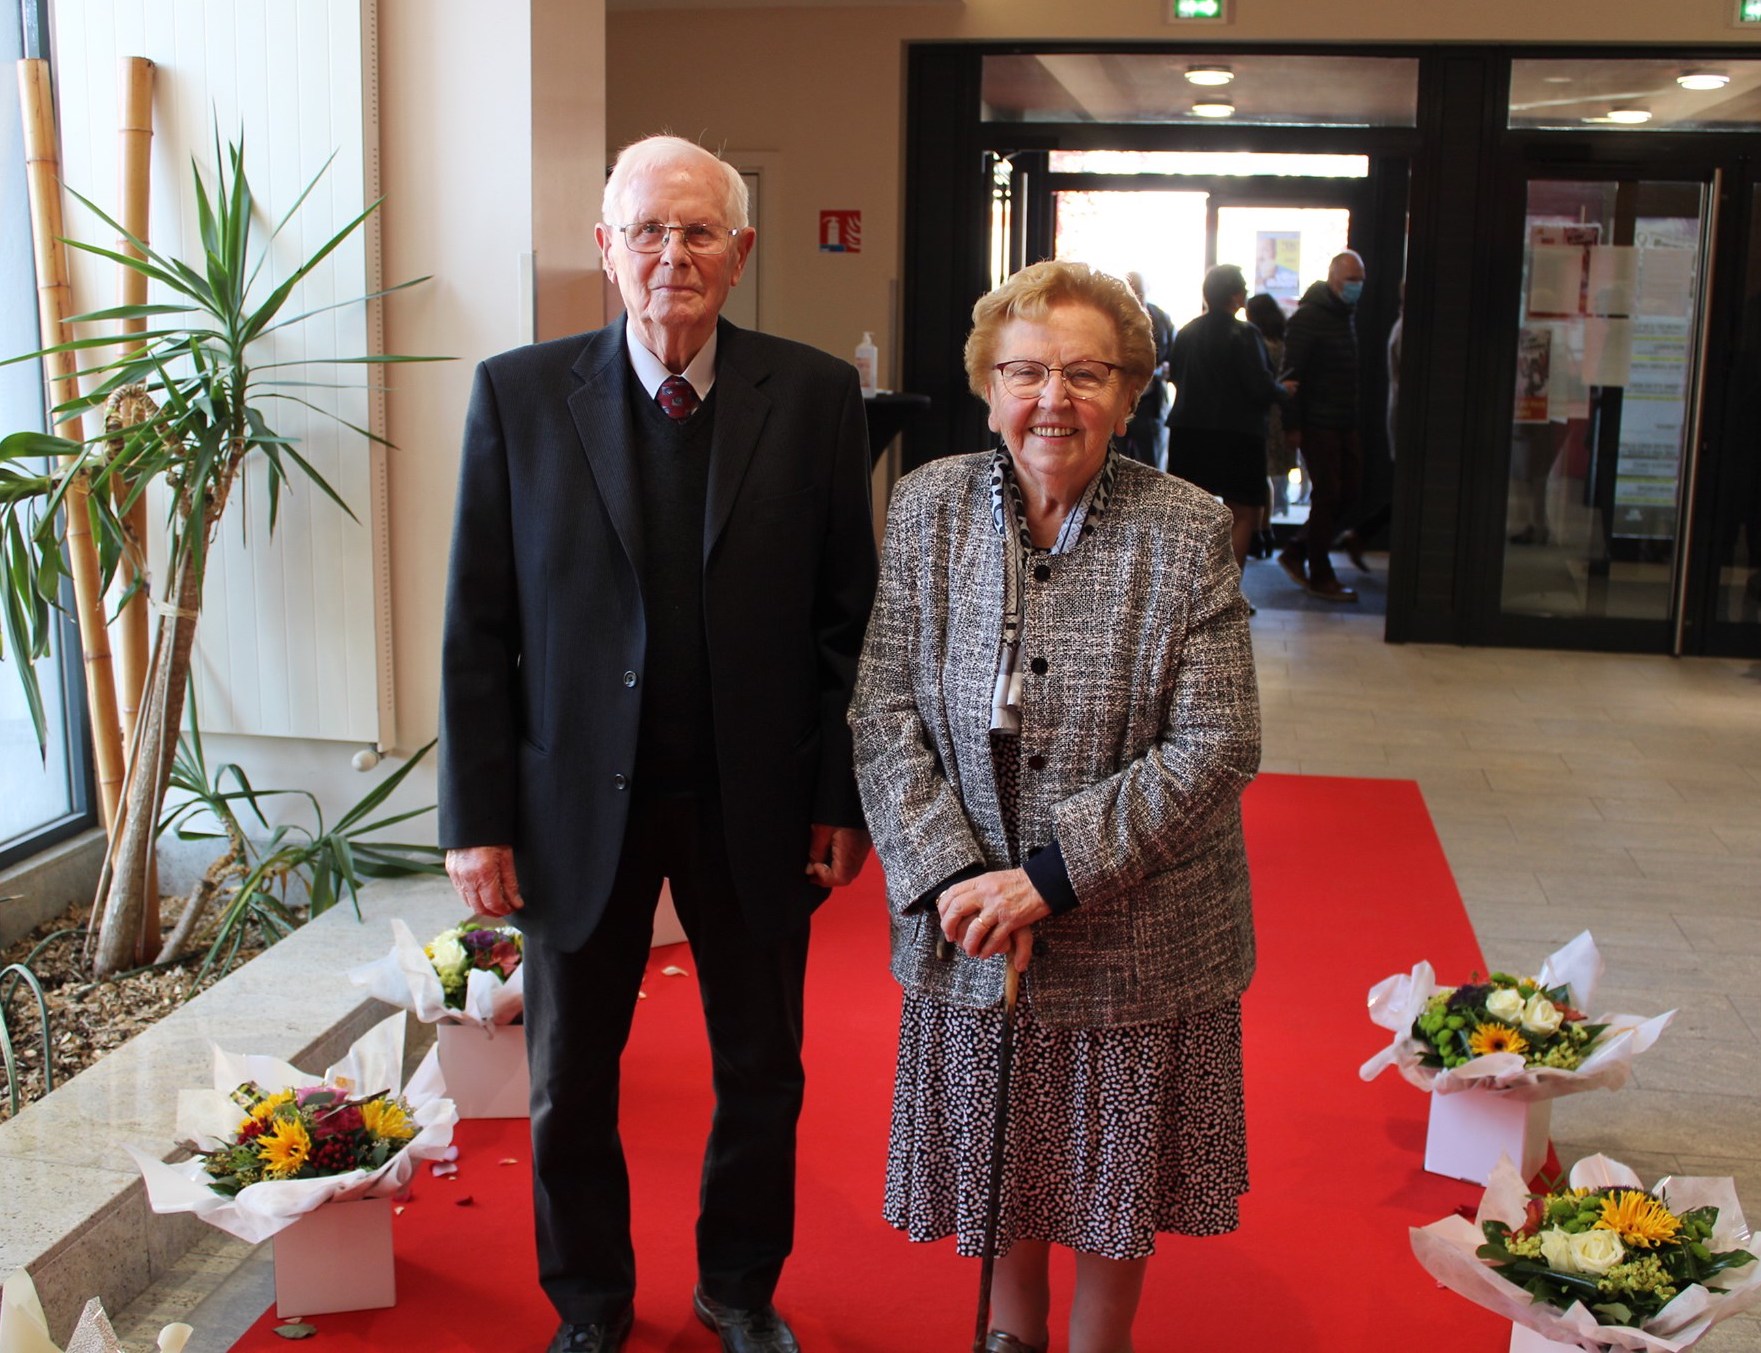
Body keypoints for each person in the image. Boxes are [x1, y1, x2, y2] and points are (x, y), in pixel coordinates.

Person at [438, 134, 878, 1353]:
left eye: (696, 233)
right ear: (604, 250)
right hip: (575, 803)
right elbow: (477, 627)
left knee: (761, 1073)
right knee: (570, 1076)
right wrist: (473, 820)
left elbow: (853, 622)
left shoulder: (816, 398)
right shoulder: (519, 398)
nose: (670, 256)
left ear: (740, 255)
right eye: (647, 231)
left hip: (755, 801)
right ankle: (587, 1305)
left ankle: (738, 1289)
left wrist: (840, 798)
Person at [850, 260, 1260, 1353]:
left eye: (1089, 373)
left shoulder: (1185, 529)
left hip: (1138, 924)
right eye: (1026, 371)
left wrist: (1049, 878)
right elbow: (883, 703)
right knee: (1003, 1139)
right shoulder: (931, 504)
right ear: (988, 387)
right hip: (968, 914)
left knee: (1114, 1158)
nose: (1054, 399)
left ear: (1134, 396)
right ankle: (1012, 1334)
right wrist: (954, 877)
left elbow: (1220, 742)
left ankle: (1099, 1342)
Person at [1165, 264, 1292, 575]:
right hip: (1239, 434)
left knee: (1190, 514)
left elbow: (1177, 375)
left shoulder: (1187, 331)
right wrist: (1282, 390)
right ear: (1236, 295)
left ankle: (1188, 591)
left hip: (1189, 431)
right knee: (1245, 512)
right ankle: (1226, 596)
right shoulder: (1246, 333)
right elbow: (1258, 387)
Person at [1278, 250, 1367, 602]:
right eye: (1351, 281)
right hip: (1318, 423)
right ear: (1333, 279)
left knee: (1349, 492)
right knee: (1328, 495)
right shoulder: (1309, 318)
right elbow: (1290, 376)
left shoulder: (1345, 315)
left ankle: (1298, 549)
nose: (1356, 288)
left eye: (1360, 281)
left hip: (1345, 422)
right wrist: (1292, 424)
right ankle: (1320, 573)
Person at [1245, 292, 1297, 554]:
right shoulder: (1283, 342)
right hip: (1281, 414)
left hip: (1265, 415)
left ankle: (1259, 531)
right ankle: (1266, 529)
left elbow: (1259, 384)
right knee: (1266, 475)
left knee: (1258, 476)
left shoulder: (1259, 343)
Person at [1121, 271, 1173, 470]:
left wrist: (1165, 368)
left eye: (1140, 292)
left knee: (1153, 462)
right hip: (1121, 401)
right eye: (1132, 291)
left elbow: (1172, 357)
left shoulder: (1160, 318)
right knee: (1117, 461)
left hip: (1151, 403)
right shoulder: (1114, 318)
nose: (1136, 298)